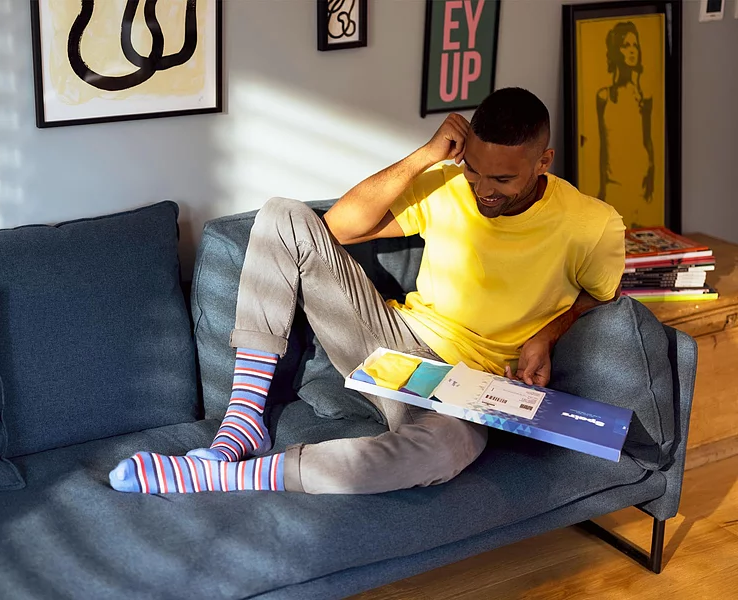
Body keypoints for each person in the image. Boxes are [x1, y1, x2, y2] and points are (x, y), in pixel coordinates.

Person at [109, 87, 625, 495]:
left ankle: (225, 478)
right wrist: (425, 157)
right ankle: (242, 424)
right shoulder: (448, 182)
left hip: (466, 388)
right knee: (283, 214)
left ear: (544, 161)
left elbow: (601, 294)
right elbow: (340, 226)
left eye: (502, 179)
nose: (483, 188)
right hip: (391, 341)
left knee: (439, 455)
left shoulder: (592, 225)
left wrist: (548, 335)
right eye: (473, 168)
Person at [596, 21, 656, 228]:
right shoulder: (604, 96)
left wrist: (651, 173)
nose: (632, 51)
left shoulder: (644, 97)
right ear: (616, 51)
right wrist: (602, 185)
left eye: (635, 45)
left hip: (639, 180)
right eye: (626, 45)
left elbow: (647, 138)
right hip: (615, 183)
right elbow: (603, 143)